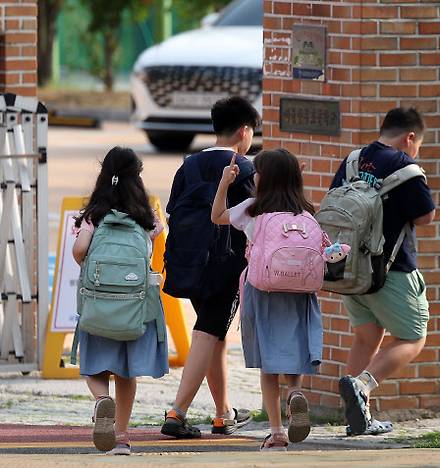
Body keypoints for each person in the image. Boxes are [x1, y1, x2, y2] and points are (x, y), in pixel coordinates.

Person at [329, 108, 436, 435]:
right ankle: (362, 385)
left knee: (366, 337)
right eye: (418, 144)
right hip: (391, 269)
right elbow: (424, 217)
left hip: (348, 268)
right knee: (413, 337)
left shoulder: (353, 160)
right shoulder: (407, 168)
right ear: (410, 137)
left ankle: (358, 419)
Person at [211, 149, 323, 452]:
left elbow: (217, 216)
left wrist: (224, 182)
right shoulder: (306, 213)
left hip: (263, 290)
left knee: (268, 364)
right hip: (300, 293)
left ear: (265, 178)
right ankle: (296, 392)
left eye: (257, 172)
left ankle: (276, 432)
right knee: (294, 350)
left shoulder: (253, 210)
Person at [161, 97, 258, 438]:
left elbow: (172, 213)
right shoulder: (243, 169)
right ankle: (177, 412)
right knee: (207, 334)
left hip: (188, 263)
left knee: (213, 335)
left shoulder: (187, 166)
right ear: (244, 131)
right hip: (225, 268)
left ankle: (223, 413)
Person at [72, 146, 169, 455]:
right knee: (127, 373)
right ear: (137, 177)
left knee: (94, 369)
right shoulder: (147, 218)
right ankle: (123, 437)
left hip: (98, 306)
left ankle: (102, 401)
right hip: (134, 308)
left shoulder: (93, 215)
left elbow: (79, 253)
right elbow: (152, 250)